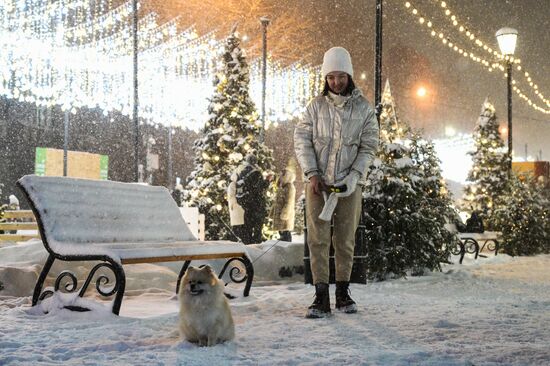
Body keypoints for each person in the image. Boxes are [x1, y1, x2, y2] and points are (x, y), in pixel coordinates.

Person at [294, 46, 379, 318]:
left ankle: (342, 292)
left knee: (345, 239)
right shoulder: (314, 108)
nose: (336, 82)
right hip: (318, 185)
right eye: (330, 77)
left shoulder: (364, 110)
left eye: (341, 76)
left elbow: (368, 147)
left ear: (349, 76)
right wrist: (312, 174)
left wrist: (353, 178)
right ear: (325, 78)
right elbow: (302, 141)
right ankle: (320, 296)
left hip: (348, 187)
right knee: (317, 240)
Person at [236, 153, 270, 244]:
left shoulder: (242, 172)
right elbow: (259, 188)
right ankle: (256, 245)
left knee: (247, 225)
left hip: (246, 204)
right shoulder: (256, 173)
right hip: (256, 204)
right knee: (258, 226)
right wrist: (267, 181)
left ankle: (247, 243)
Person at [270, 167, 296, 242]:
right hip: (279, 213)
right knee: (281, 232)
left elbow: (289, 202)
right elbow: (277, 201)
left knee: (285, 231)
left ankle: (287, 246)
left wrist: (285, 214)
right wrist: (272, 212)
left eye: (282, 176)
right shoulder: (281, 187)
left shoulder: (289, 187)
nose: (280, 177)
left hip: (284, 215)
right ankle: (284, 244)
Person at [227, 172, 245, 242]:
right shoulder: (233, 184)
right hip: (235, 207)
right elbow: (232, 196)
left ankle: (237, 238)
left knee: (237, 224)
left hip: (235, 207)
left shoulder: (233, 184)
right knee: (237, 225)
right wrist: (236, 203)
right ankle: (237, 239)